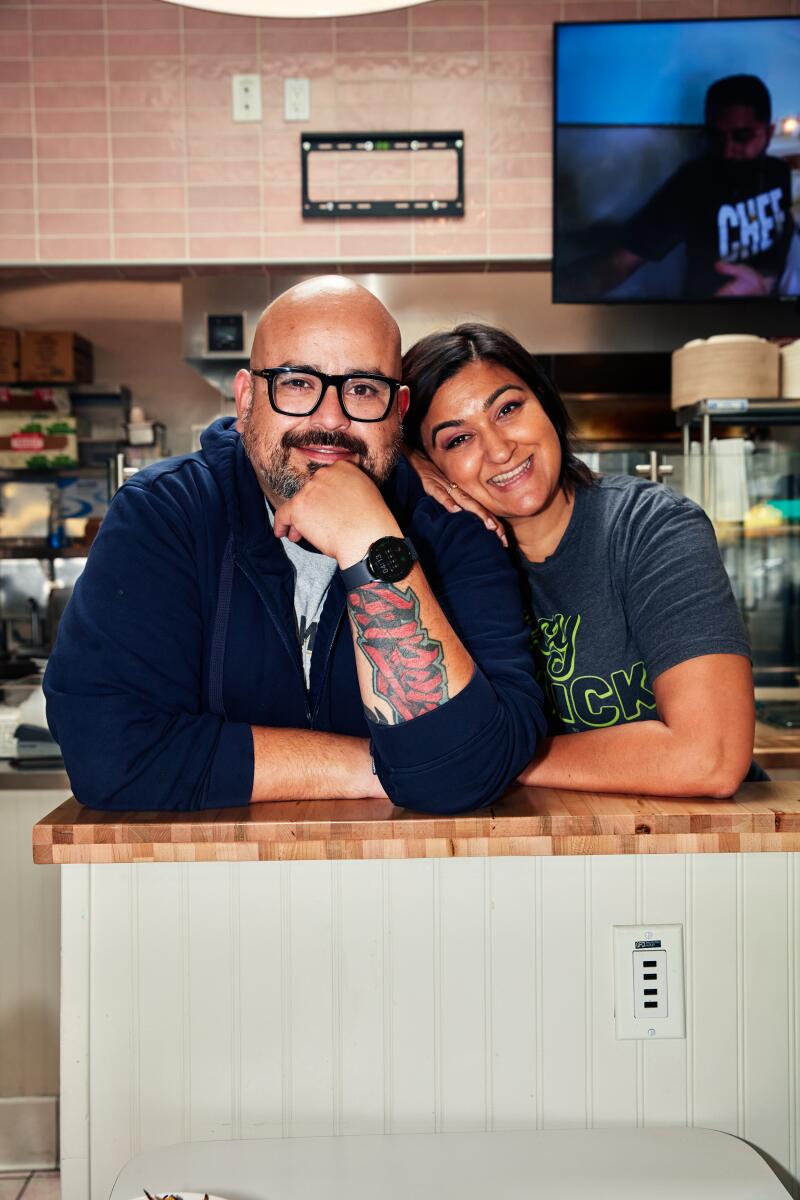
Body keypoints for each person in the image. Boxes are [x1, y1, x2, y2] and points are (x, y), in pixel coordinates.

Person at [43, 279, 545, 814]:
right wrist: (383, 768)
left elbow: (470, 773)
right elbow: (109, 754)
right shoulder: (165, 513)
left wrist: (368, 541)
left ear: (398, 411)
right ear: (246, 399)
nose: (331, 420)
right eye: (298, 383)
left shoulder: (458, 529)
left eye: (363, 389)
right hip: (209, 886)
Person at [402, 322, 760, 798]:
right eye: (457, 440)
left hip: (695, 845)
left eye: (508, 409)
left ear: (546, 404)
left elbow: (710, 757)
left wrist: (490, 758)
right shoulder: (436, 561)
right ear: (434, 467)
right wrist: (404, 466)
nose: (499, 448)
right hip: (544, 850)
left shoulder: (651, 525)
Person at [569, 74, 794, 300]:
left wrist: (766, 281)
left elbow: (784, 235)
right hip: (707, 319)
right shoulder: (694, 183)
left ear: (769, 132)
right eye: (716, 137)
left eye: (742, 136)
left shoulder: (779, 173)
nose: (727, 150)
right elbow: (619, 264)